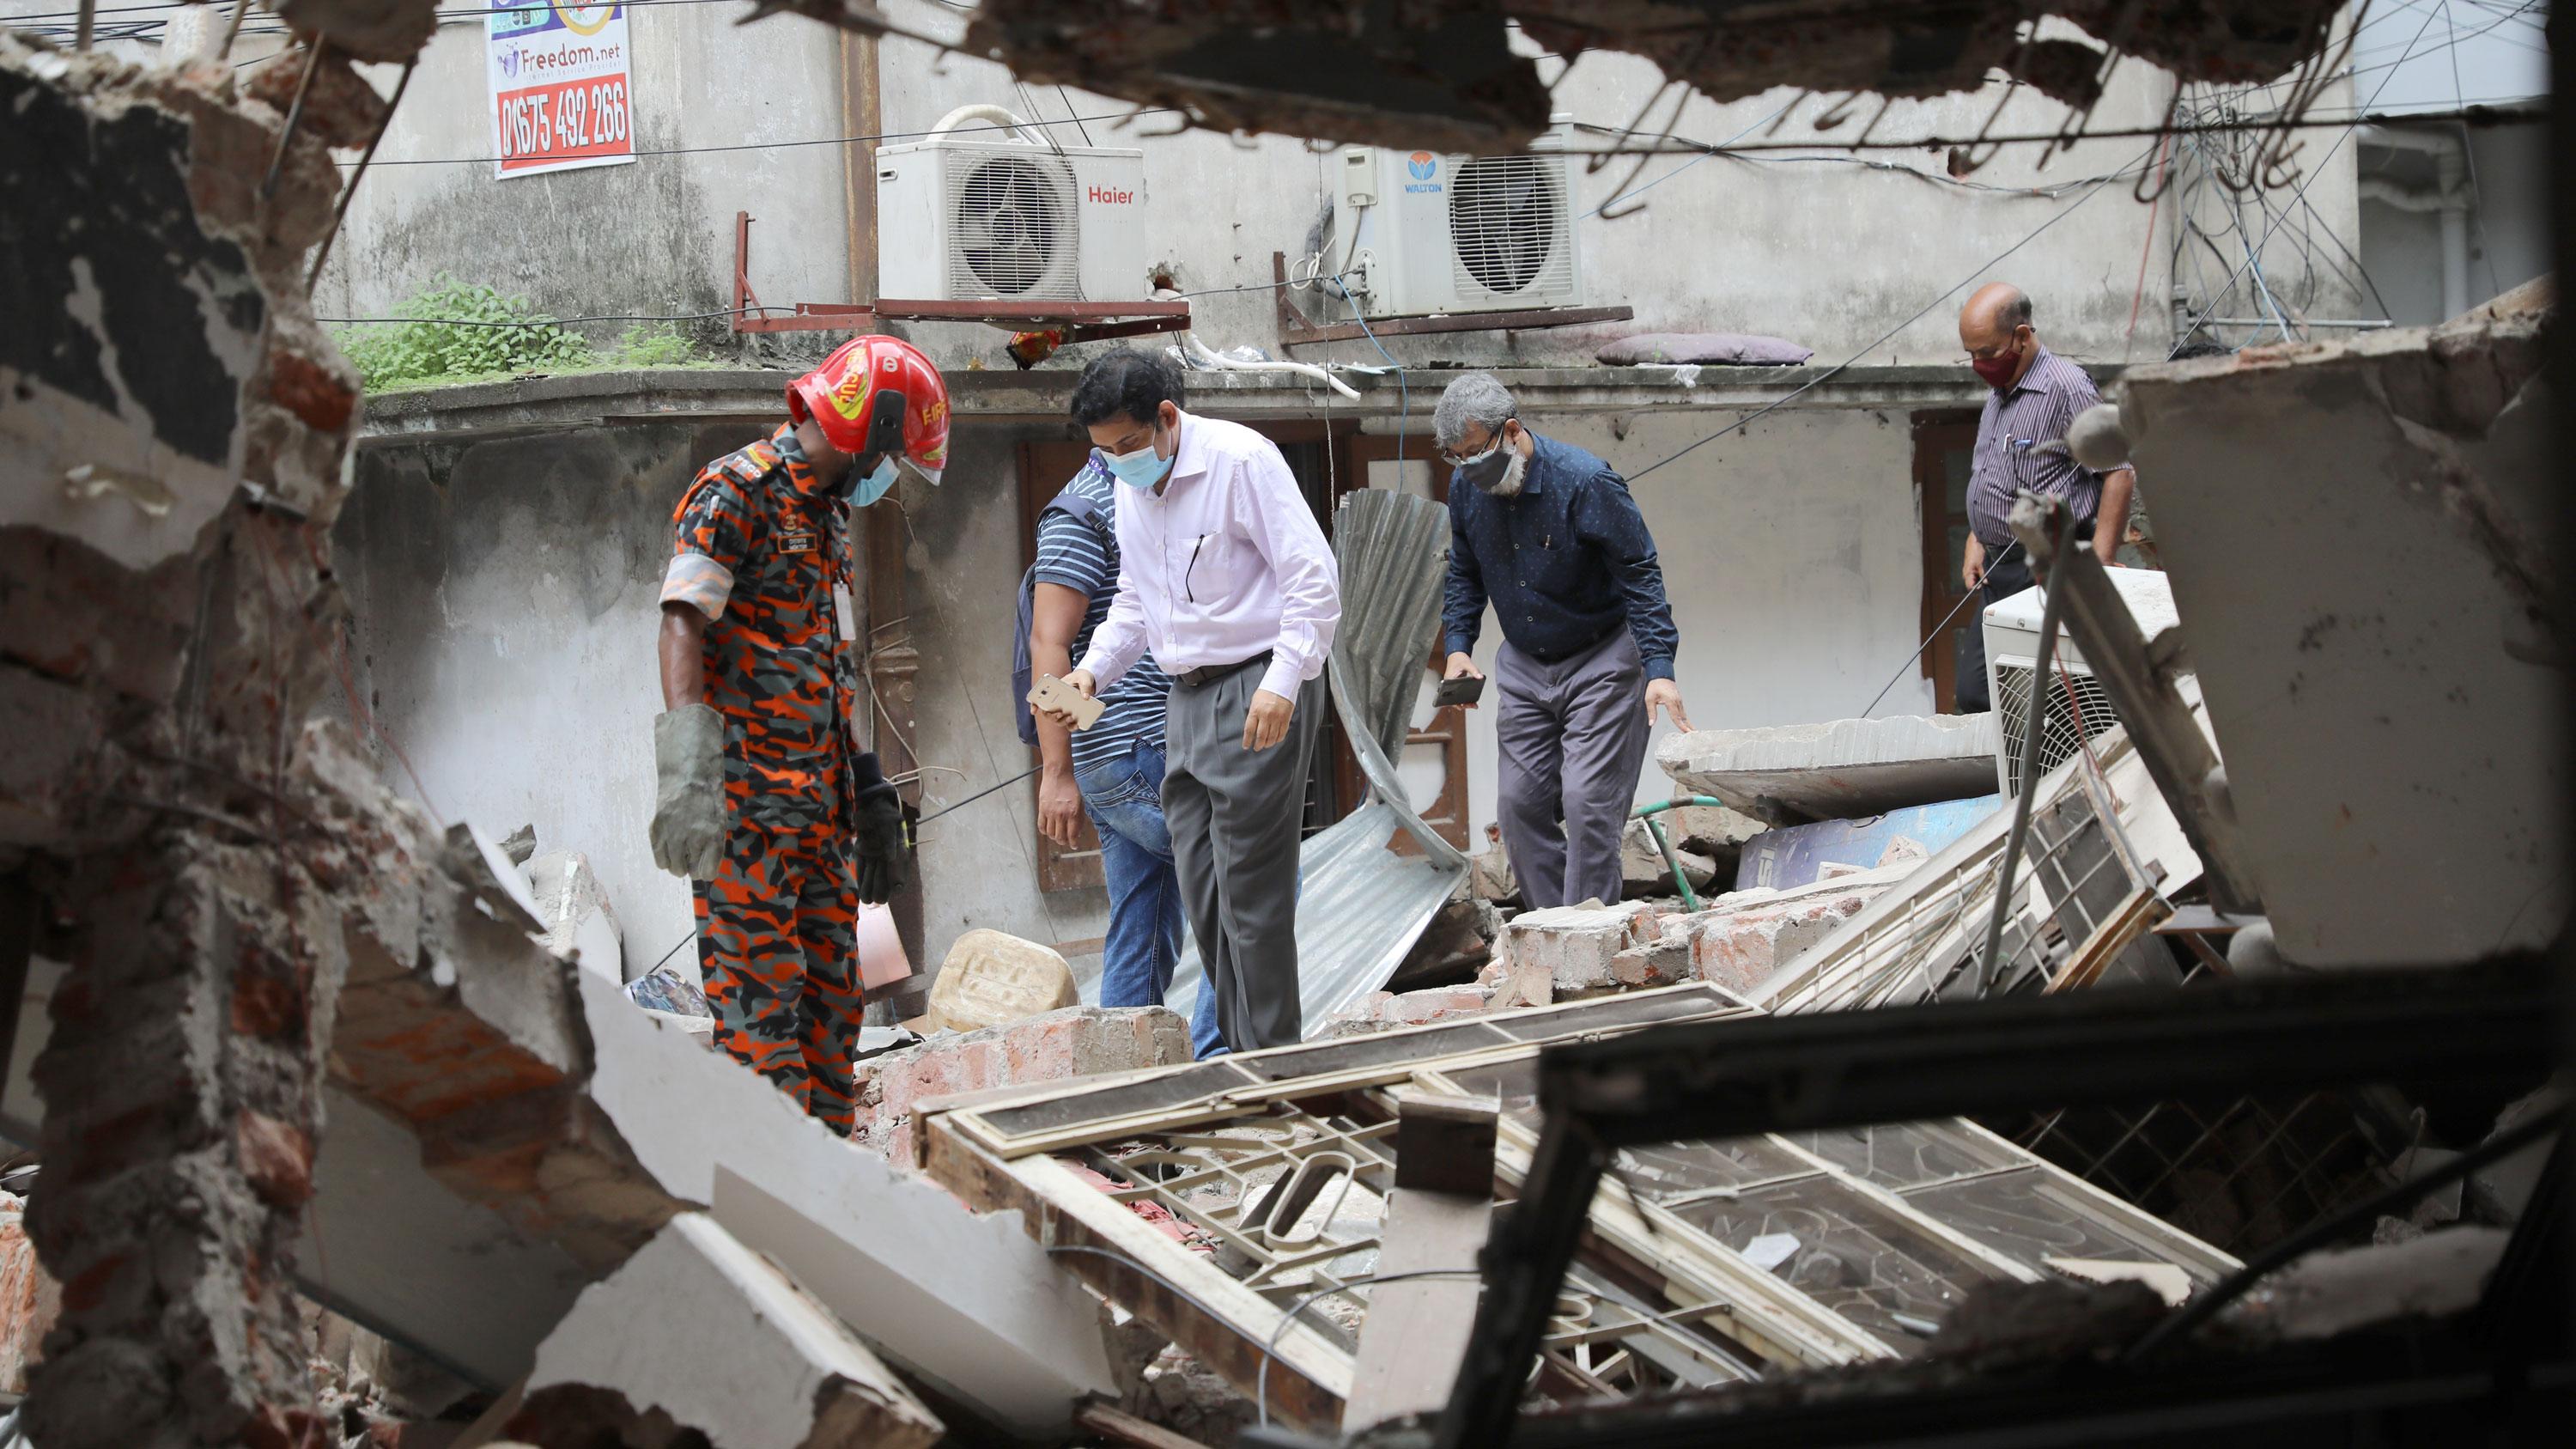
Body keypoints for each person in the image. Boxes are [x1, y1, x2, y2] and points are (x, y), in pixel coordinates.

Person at [647, 333, 948, 1133]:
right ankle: (775, 1229)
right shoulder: (734, 492)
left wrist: (868, 778)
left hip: (819, 819)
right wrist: (686, 771)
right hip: (744, 817)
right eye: (896, 456)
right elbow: (682, 621)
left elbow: (828, 664)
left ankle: (827, 1208)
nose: (894, 477)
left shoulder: (826, 518)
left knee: (831, 1021)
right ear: (873, 431)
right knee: (762, 1034)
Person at [1050, 350, 1342, 1054]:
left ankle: (1270, 1063)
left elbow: (1313, 578)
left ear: (1167, 418)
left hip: (1256, 684)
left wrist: (1283, 681)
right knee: (1205, 893)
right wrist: (1091, 672)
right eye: (1103, 451)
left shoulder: (1243, 461)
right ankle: (1243, 1052)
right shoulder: (1125, 485)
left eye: (1126, 444)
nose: (1117, 461)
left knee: (1253, 894)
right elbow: (1133, 601)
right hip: (1182, 697)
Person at [1432, 373, 1692, 910]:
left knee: (1588, 802)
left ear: (1510, 430)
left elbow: (1640, 575)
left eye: (1474, 454)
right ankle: (1553, 933)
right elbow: (1463, 571)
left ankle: (1588, 937)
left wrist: (1660, 668)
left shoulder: (1586, 481)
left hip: (1604, 656)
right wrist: (1458, 646)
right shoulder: (1466, 489)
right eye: (1454, 458)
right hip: (1526, 663)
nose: (1467, 469)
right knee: (1518, 808)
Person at [1026, 450, 1222, 1058]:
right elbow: (1047, 643)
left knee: (1143, 926)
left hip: (1134, 751)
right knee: (1252, 880)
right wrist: (1056, 770)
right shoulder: (1085, 508)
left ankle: (1122, 1087)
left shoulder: (1147, 496)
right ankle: (1220, 1062)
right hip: (1137, 750)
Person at [1953, 283, 2137, 712]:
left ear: (2021, 335)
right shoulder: (1998, 396)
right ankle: (2012, 777)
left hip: (2047, 566)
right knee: (1977, 694)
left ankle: (2057, 774)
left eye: (1987, 353)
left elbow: (2119, 473)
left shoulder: (2066, 387)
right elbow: (1991, 477)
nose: (1978, 365)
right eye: (1971, 354)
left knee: (2051, 694)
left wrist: (2103, 562)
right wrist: (1976, 539)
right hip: (1998, 569)